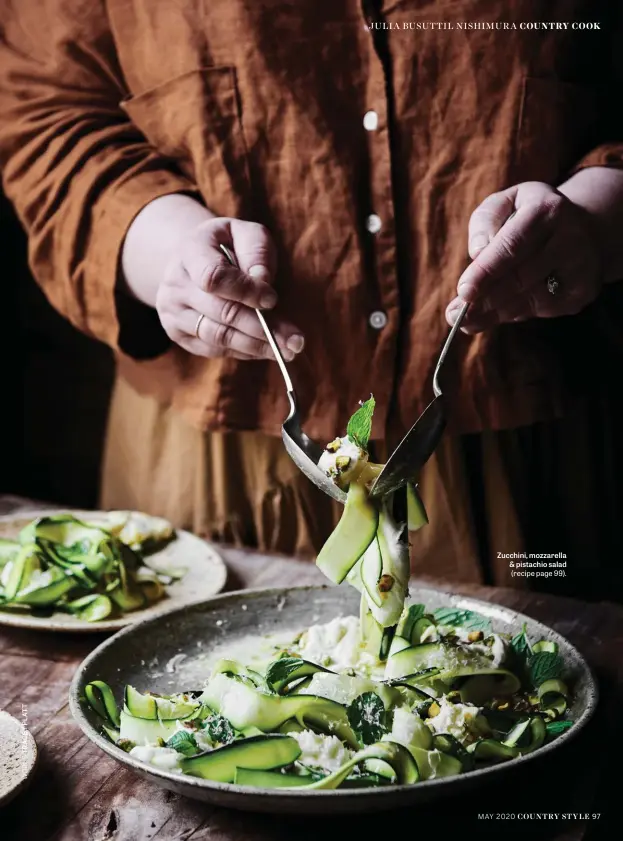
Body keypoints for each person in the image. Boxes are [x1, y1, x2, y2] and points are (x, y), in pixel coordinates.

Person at [1, 1, 623, 598]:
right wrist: (166, 249)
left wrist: (597, 223)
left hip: (528, 459)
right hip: (217, 444)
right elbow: (47, 107)